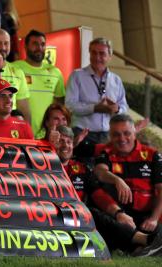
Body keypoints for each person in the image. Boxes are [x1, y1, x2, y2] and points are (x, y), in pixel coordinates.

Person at [56, 125, 162, 256]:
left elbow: (98, 194)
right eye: (60, 141)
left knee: (101, 212)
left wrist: (118, 213)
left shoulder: (81, 168)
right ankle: (145, 240)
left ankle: (137, 249)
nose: (65, 146)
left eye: (69, 142)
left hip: (79, 220)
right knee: (90, 212)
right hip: (54, 216)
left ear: (74, 145)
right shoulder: (44, 165)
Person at [94, 114, 162, 255]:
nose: (122, 139)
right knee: (96, 216)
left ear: (134, 132)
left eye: (126, 133)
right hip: (121, 216)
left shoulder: (152, 155)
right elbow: (100, 171)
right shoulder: (105, 152)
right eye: (116, 135)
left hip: (148, 218)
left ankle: (137, 246)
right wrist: (117, 180)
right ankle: (143, 245)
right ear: (110, 136)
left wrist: (154, 219)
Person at [65, 37, 129, 145]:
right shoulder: (77, 75)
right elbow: (69, 106)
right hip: (82, 133)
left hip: (108, 135)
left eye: (102, 54)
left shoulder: (116, 80)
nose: (97, 57)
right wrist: (94, 108)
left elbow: (124, 107)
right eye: (93, 53)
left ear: (109, 56)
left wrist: (117, 109)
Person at [13, 30, 65, 139]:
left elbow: (60, 104)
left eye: (42, 44)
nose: (39, 48)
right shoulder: (14, 67)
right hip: (18, 132)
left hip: (47, 135)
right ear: (26, 47)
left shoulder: (55, 72)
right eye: (35, 44)